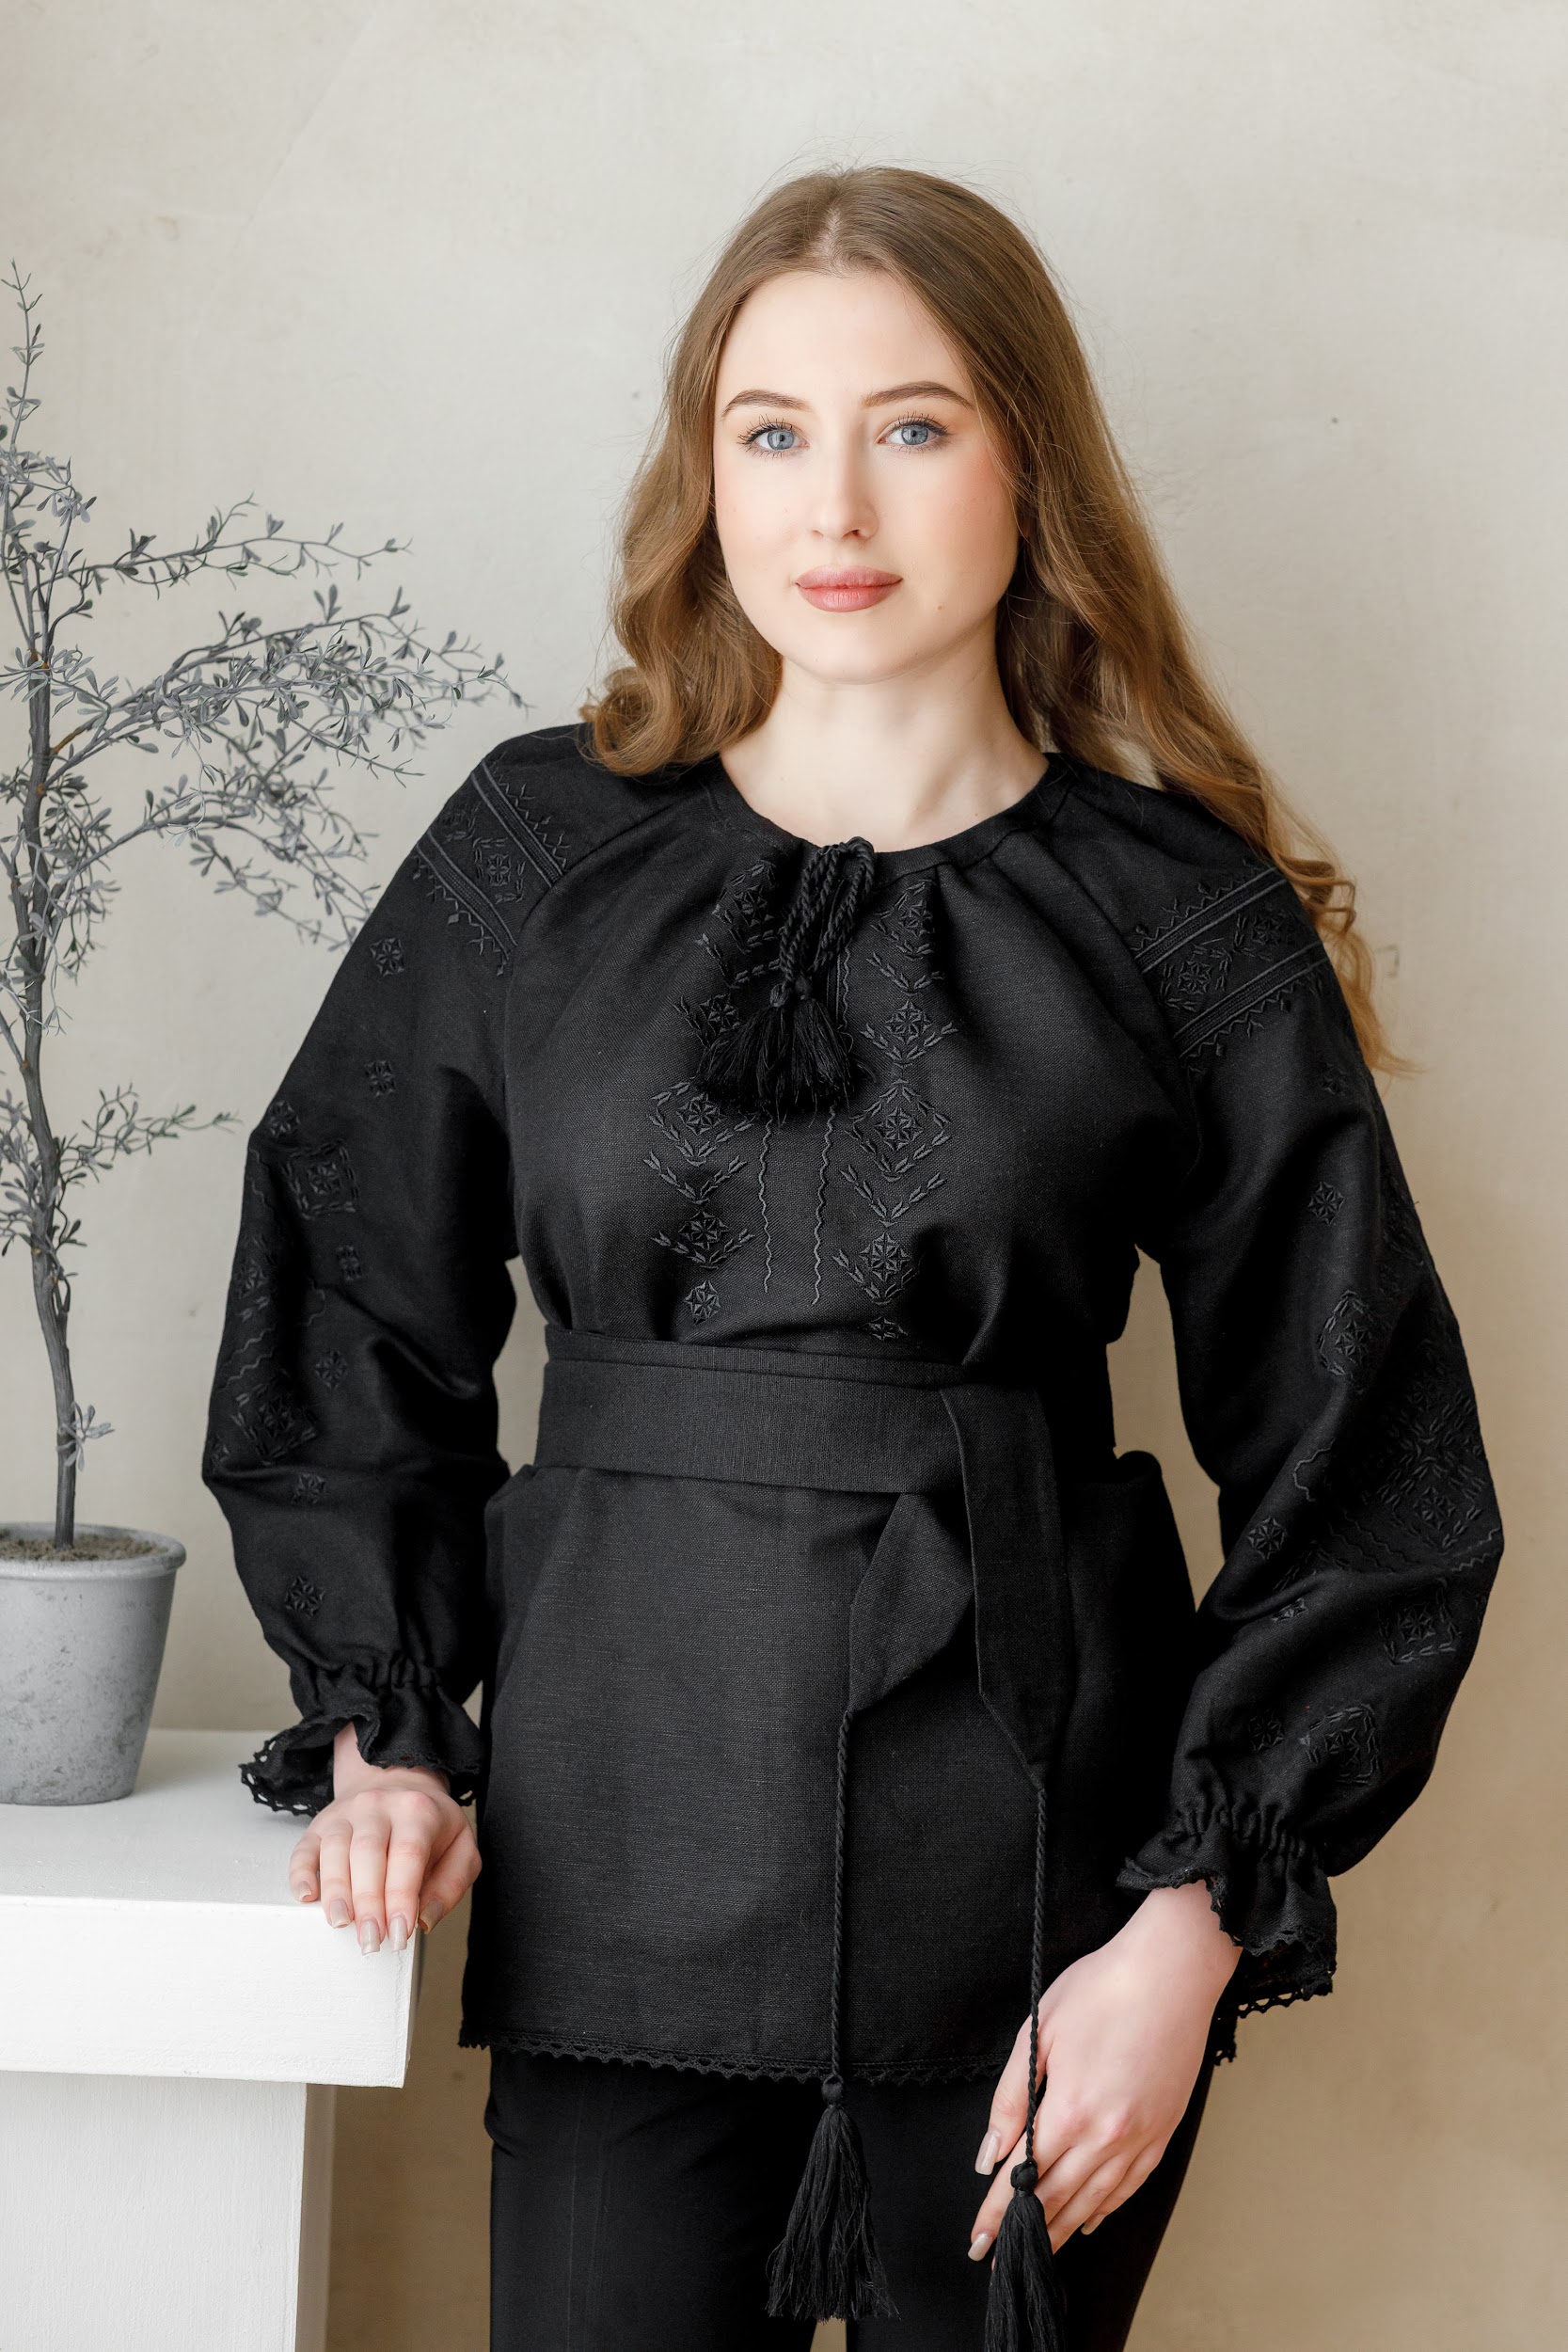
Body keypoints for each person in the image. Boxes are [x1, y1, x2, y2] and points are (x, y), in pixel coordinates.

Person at [202, 166, 1503, 2352]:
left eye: (912, 424)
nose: (835, 503)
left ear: (1029, 462)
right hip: (618, 1840)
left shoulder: (1174, 914)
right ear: (704, 471)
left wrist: (1189, 1933)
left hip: (1044, 1895)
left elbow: (1372, 1463)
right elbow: (344, 1278)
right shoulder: (534, 847)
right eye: (771, 429)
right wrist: (387, 1727)